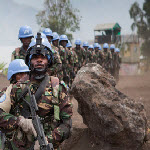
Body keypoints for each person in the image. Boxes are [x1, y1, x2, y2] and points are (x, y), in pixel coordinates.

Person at [0, 33, 72, 150]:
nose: (39, 60)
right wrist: (19, 122)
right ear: (29, 60)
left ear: (49, 61)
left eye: (43, 57)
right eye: (35, 57)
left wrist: (48, 139)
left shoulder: (58, 87)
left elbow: (67, 125)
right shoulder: (16, 88)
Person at [0, 59, 30, 149]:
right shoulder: (6, 92)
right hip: (13, 141)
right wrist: (19, 122)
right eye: (19, 74)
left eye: (25, 74)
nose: (23, 77)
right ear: (13, 76)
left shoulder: (31, 91)